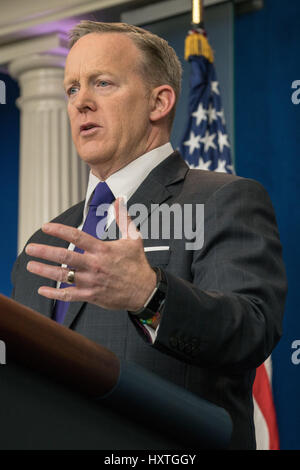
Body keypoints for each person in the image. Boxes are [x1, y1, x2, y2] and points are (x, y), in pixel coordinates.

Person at [11, 21, 287, 449]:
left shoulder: (222, 199)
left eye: (102, 83)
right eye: (71, 89)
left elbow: (251, 331)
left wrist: (149, 295)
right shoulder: (41, 245)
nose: (81, 102)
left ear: (159, 102)